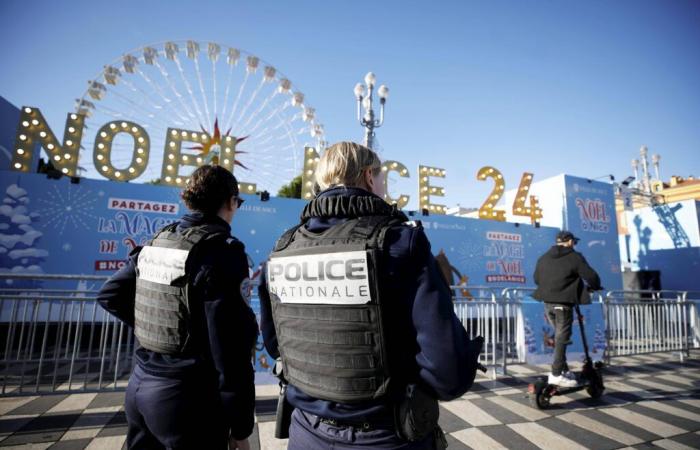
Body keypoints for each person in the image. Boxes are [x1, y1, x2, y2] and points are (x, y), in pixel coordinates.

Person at [258, 141, 482, 449]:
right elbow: (447, 371)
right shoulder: (402, 243)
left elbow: (274, 344)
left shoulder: (283, 249)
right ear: (368, 177)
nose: (384, 185)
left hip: (305, 432)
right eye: (383, 177)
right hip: (384, 435)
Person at [97, 165, 258, 450]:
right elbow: (230, 349)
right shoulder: (224, 250)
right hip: (189, 399)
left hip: (139, 387)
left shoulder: (160, 240)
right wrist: (242, 425)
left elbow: (111, 294)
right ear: (231, 201)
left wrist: (162, 327)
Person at [533, 230, 602, 387]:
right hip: (563, 304)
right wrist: (595, 286)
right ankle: (556, 374)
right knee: (561, 338)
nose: (574, 245)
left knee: (560, 338)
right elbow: (591, 276)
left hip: (547, 303)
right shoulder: (574, 257)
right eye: (574, 242)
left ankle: (563, 370)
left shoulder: (543, 257)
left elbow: (537, 278)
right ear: (570, 242)